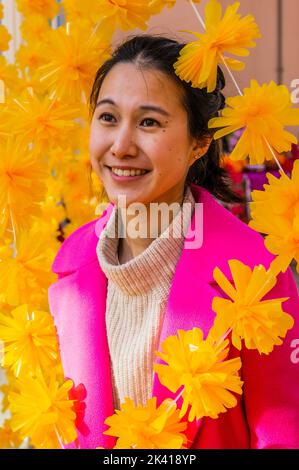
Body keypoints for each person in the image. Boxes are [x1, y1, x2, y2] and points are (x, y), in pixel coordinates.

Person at [48, 34, 299, 449]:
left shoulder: (256, 273)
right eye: (108, 118)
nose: (121, 147)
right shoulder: (70, 266)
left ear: (199, 143)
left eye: (149, 122)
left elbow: (283, 435)